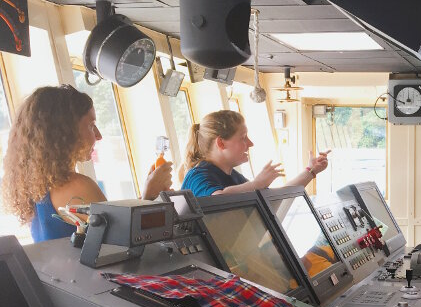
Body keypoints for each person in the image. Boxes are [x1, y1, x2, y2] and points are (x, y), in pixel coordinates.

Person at [1, 85, 172, 243]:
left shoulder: (39, 187)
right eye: (91, 126)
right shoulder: (76, 186)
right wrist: (150, 197)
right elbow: (126, 240)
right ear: (64, 132)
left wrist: (146, 195)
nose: (98, 135)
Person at [180, 109, 330, 197]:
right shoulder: (197, 175)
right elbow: (217, 199)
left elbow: (274, 197)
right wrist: (257, 184)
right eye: (243, 138)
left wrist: (311, 171)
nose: (250, 144)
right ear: (221, 143)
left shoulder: (234, 177)